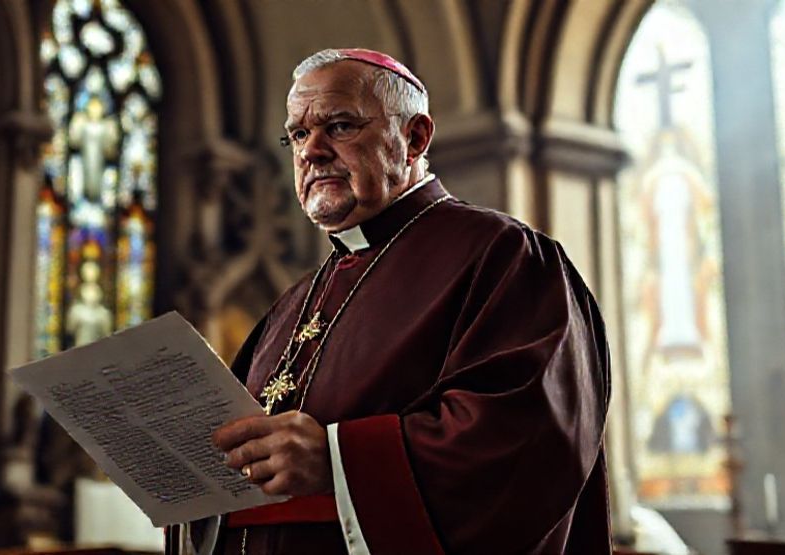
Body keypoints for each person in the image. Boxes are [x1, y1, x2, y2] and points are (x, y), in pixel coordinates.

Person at [185, 48, 612, 554]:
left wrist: (338, 462)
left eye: (339, 126)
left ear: (414, 138)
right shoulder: (297, 299)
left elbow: (530, 441)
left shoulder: (505, 258)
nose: (311, 151)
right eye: (298, 134)